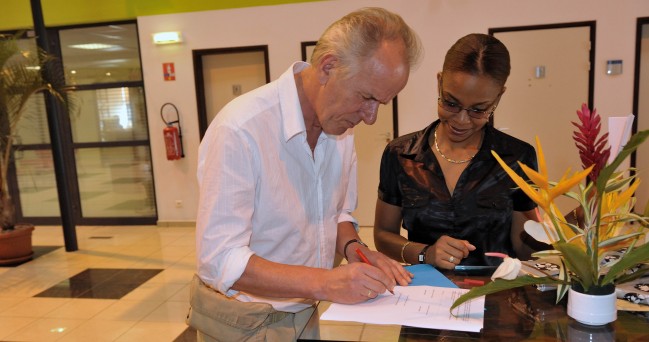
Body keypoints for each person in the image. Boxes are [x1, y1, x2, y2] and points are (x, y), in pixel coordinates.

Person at [193, 7, 423, 341]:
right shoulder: (241, 129)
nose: (370, 117)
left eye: (381, 104)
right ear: (329, 67)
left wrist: (357, 251)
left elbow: (336, 213)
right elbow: (220, 260)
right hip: (242, 322)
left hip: (305, 310)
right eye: (366, 97)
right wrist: (327, 282)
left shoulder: (340, 127)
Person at [374, 33, 542, 270]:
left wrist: (561, 238)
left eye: (478, 110)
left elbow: (525, 248)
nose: (461, 121)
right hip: (425, 295)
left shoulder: (516, 158)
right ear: (439, 82)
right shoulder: (401, 154)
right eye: (450, 103)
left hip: (495, 294)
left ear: (499, 97)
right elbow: (383, 235)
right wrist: (425, 254)